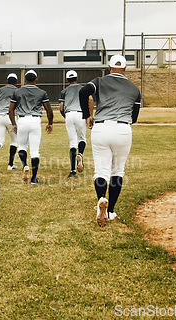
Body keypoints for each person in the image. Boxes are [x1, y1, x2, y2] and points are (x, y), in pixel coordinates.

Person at [79, 55, 141, 227]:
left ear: (109, 67)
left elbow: (83, 92)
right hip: (123, 128)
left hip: (101, 127)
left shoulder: (99, 81)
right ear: (126, 69)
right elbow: (134, 117)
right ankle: (111, 210)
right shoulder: (134, 88)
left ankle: (101, 199)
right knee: (117, 171)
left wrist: (87, 116)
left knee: (101, 171)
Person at [9, 69, 54, 184]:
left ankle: (25, 165)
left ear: (24, 80)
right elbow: (49, 110)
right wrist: (50, 123)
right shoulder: (41, 92)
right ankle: (34, 178)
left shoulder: (17, 92)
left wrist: (14, 123)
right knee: (35, 151)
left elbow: (11, 109)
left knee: (22, 147)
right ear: (36, 79)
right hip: (35, 121)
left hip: (22, 120)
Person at [59, 70, 90, 178]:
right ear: (77, 78)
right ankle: (80, 154)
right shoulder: (83, 88)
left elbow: (61, 107)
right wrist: (89, 115)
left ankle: (72, 171)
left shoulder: (64, 91)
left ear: (67, 80)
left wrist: (65, 116)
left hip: (69, 114)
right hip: (80, 113)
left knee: (72, 143)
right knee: (82, 139)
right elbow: (90, 99)